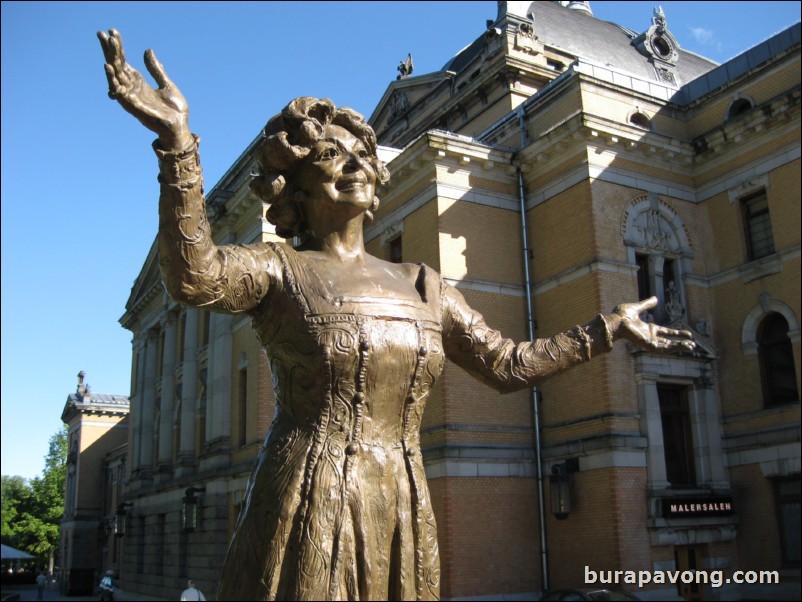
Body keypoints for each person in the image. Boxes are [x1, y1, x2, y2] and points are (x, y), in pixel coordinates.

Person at [98, 29, 695, 602]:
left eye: (363, 153)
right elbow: (194, 275)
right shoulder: (279, 269)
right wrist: (177, 141)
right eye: (333, 154)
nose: (356, 162)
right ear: (297, 189)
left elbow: (510, 365)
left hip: (402, 501)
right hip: (308, 494)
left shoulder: (422, 285)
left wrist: (608, 327)